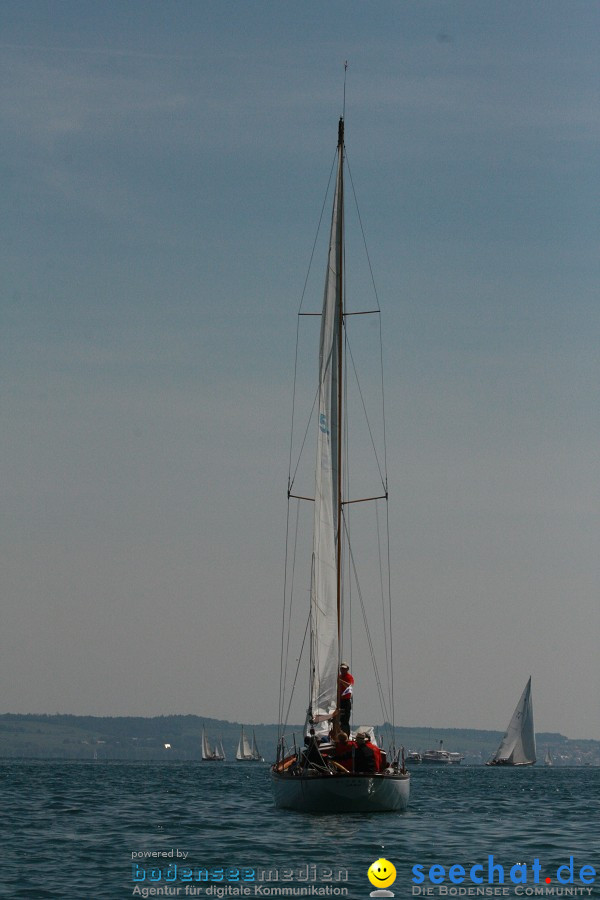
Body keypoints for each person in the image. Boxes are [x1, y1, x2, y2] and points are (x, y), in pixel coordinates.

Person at [338, 663, 354, 735]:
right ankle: (338, 733)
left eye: (344, 668)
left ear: (347, 669)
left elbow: (349, 686)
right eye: (341, 668)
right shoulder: (339, 676)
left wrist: (340, 681)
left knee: (345, 720)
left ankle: (346, 735)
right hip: (339, 700)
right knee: (338, 719)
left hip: (346, 701)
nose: (343, 670)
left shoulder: (349, 677)